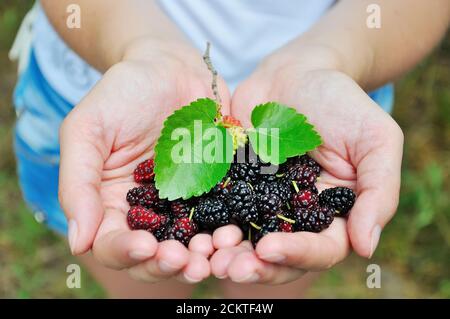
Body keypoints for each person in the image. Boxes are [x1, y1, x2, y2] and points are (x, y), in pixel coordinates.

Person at [11, 0, 449, 298]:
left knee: (266, 271)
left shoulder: (289, 167)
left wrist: (328, 60)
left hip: (327, 99)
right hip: (106, 106)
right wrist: (142, 50)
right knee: (144, 271)